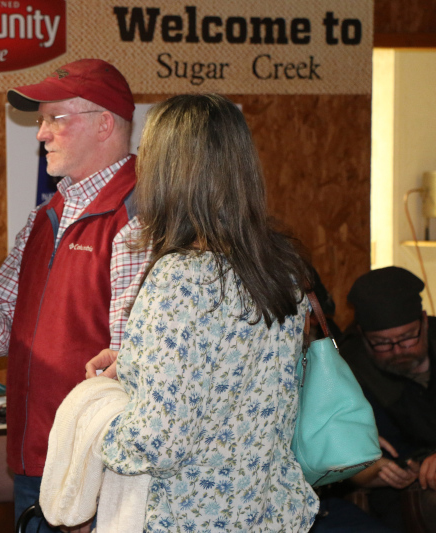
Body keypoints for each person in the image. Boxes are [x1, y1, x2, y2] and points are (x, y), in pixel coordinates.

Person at [86, 94, 319, 531]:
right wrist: (136, 365)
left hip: (189, 518)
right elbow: (236, 378)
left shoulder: (180, 277)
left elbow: (158, 441)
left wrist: (92, 428)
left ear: (163, 172)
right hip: (271, 515)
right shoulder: (281, 270)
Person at [0, 59, 150, 531]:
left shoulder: (139, 213)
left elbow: (130, 366)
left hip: (95, 472)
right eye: (41, 120)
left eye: (55, 118)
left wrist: (99, 480)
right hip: (34, 462)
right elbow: (0, 326)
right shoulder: (46, 217)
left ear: (104, 125)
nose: (40, 134)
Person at [338, 266, 436, 531]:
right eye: (381, 342)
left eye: (406, 338)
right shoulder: (349, 368)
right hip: (401, 494)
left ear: (425, 321)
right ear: (362, 335)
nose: (397, 351)